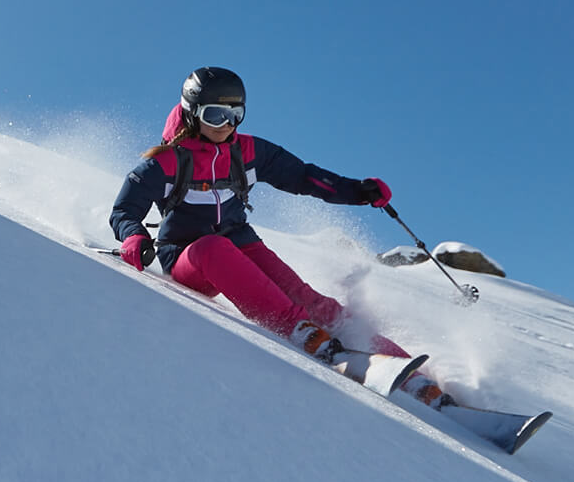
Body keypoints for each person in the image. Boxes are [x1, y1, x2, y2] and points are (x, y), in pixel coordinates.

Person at [110, 66, 402, 362]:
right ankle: (300, 331)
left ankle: (405, 368)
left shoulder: (247, 151)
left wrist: (357, 191)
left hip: (241, 243)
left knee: (305, 296)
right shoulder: (165, 162)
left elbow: (302, 176)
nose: (226, 124)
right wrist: (133, 236)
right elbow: (125, 209)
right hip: (190, 258)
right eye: (215, 115)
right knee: (214, 248)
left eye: (235, 114)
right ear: (192, 113)